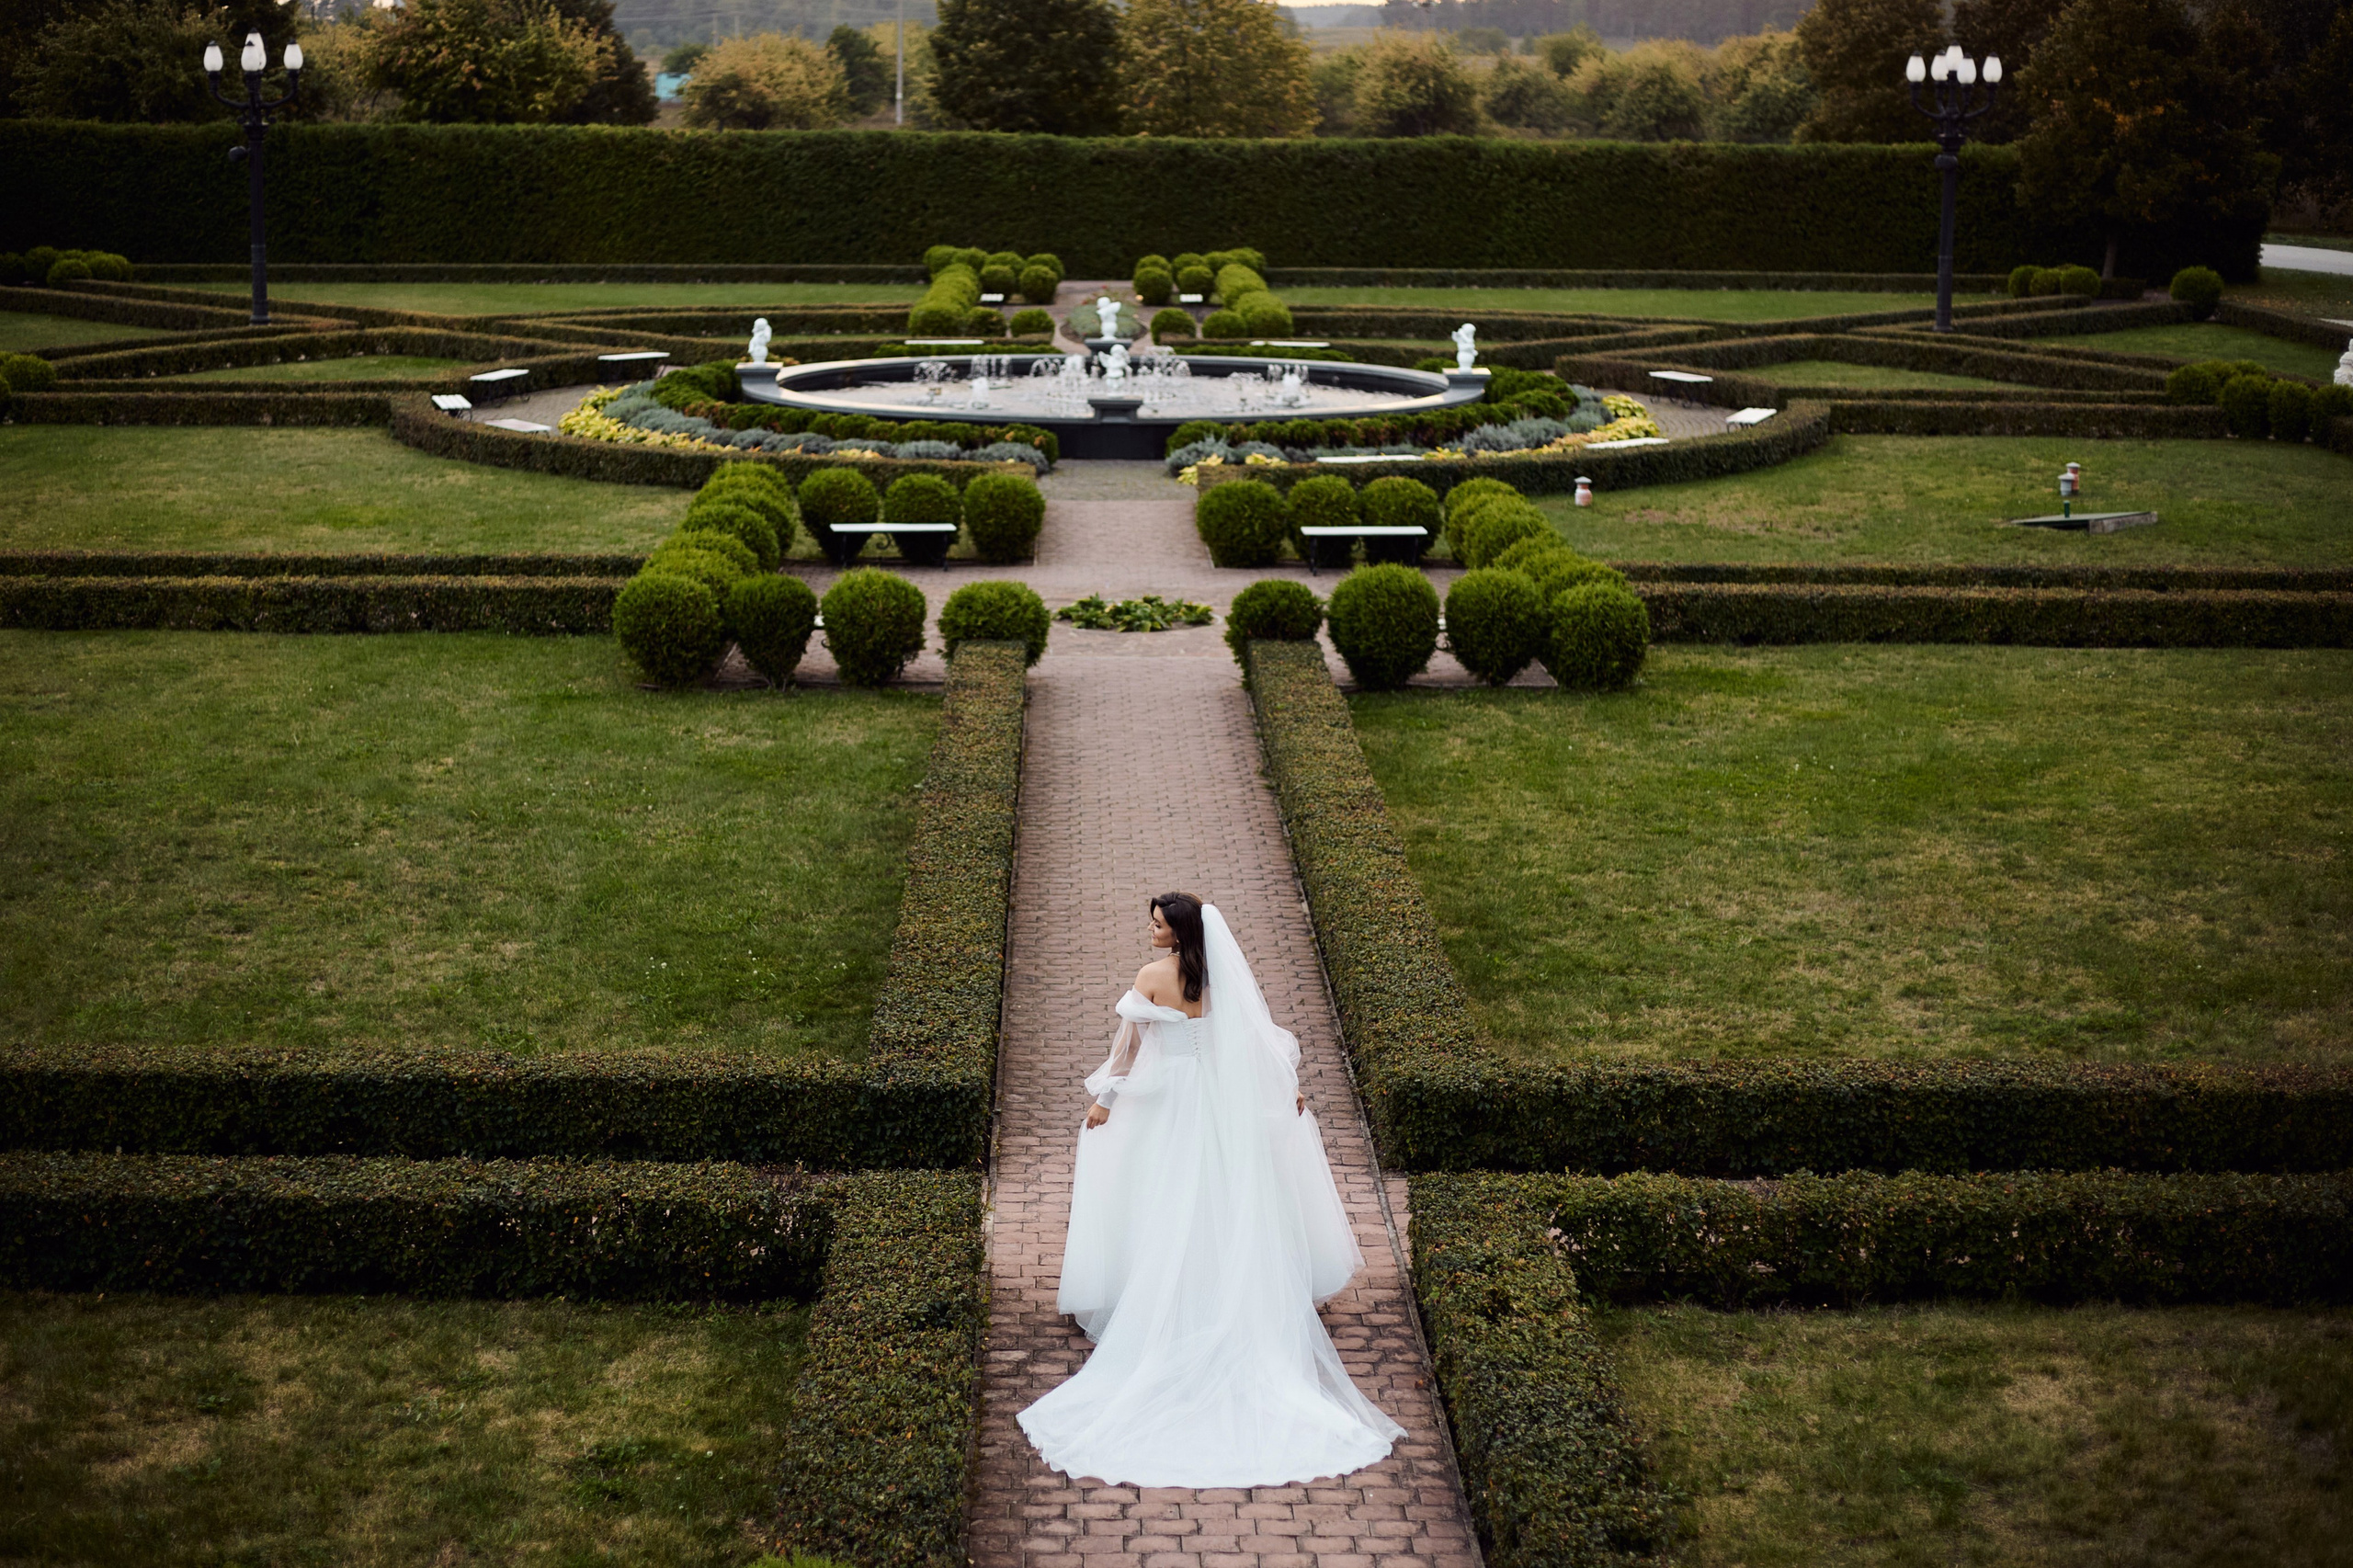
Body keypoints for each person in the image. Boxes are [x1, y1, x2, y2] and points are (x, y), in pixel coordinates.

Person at [1016, 892, 1405, 1487]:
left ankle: (1155, 1293)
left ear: (1178, 933)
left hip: (1168, 1103)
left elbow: (1128, 1050)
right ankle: (1229, 1287)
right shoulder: (1219, 979)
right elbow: (1252, 1042)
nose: (1150, 931)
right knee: (1226, 1193)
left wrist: (1104, 1101)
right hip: (1220, 1104)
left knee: (1160, 1196)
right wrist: (1285, 1091)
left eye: (1157, 924)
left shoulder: (1152, 977)